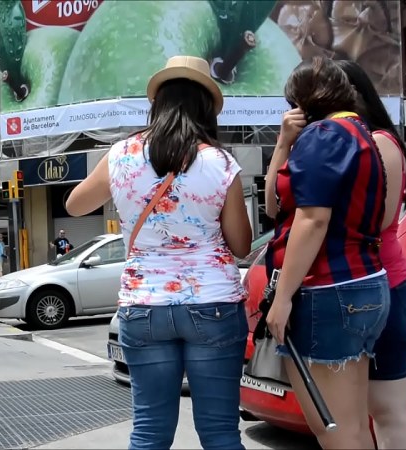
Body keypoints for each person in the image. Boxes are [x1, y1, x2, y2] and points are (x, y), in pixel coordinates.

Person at [66, 56, 252, 450]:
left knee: (149, 431)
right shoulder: (219, 162)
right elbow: (240, 245)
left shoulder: (121, 154)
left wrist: (125, 195)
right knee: (220, 433)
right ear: (206, 107)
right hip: (213, 303)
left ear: (157, 103)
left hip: (144, 304)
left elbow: (75, 205)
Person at [264, 57, 390, 450]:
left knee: (334, 430)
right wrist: (284, 143)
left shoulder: (323, 135)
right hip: (363, 281)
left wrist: (282, 298)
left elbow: (312, 219)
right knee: (353, 426)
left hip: (328, 289)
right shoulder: (361, 132)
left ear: (301, 103)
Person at [334, 59, 406, 449]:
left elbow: (379, 220)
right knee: (373, 412)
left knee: (389, 410)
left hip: (387, 285)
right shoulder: (353, 140)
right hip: (371, 286)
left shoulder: (381, 142)